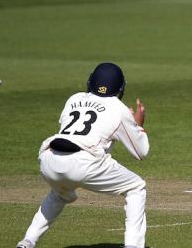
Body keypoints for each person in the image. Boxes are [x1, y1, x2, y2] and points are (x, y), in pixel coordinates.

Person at [16, 63, 149, 248]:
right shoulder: (119, 108)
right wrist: (138, 125)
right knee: (136, 187)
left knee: (60, 194)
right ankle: (133, 246)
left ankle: (27, 242)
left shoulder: (74, 99)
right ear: (121, 88)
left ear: (90, 81)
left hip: (49, 159)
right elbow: (141, 152)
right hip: (84, 162)